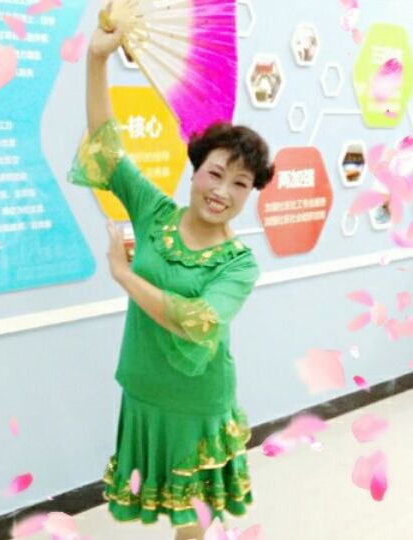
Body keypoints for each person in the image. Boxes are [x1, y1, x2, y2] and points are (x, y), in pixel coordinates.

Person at [67, 19, 274, 540]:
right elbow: (106, 148)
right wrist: (96, 59)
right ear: (195, 169)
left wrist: (123, 275)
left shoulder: (239, 264)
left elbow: (196, 321)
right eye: (215, 173)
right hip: (144, 386)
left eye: (240, 183)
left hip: (198, 401)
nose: (222, 191)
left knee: (191, 518)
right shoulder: (153, 213)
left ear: (250, 193)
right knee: (163, 503)